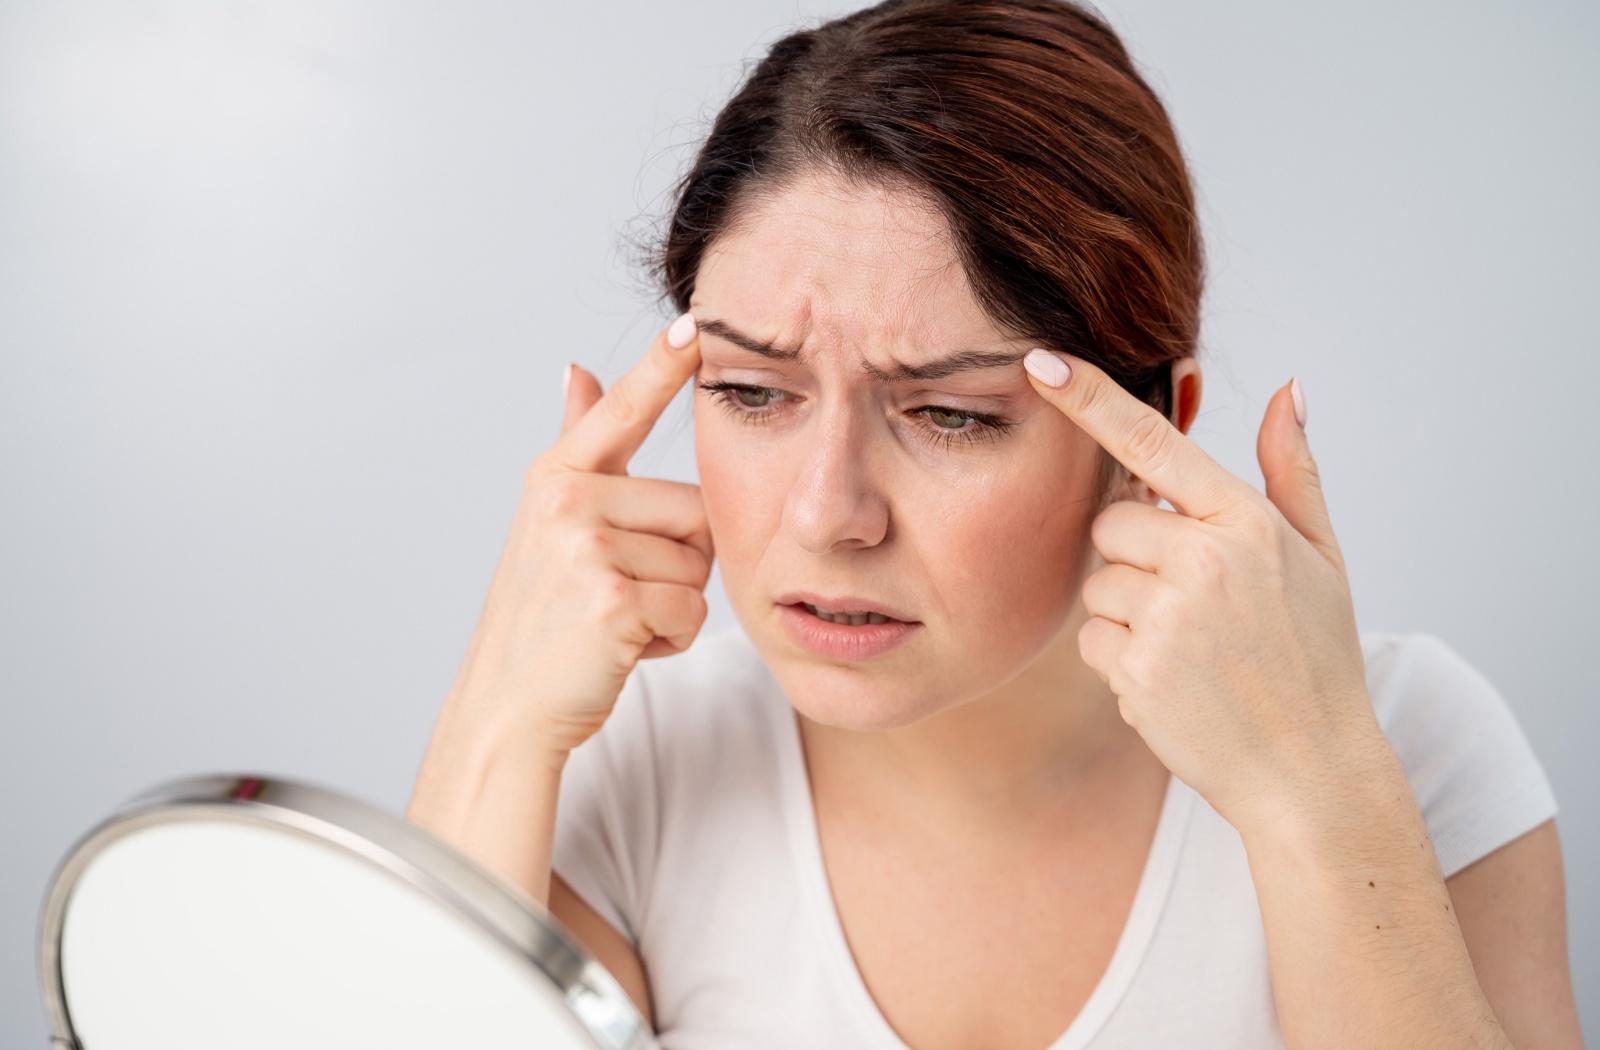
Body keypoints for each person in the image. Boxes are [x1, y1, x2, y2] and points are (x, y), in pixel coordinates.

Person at [407, 1, 1583, 1046]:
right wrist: (497, 719)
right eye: (751, 392)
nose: (827, 515)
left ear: (1150, 426)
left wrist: (1311, 792)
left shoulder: (1406, 748)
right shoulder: (634, 769)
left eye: (953, 416)